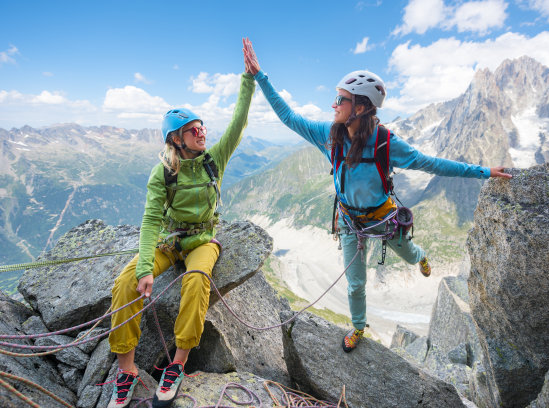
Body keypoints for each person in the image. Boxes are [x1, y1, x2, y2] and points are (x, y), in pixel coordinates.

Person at [242, 38, 511, 353]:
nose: (333, 104)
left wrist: (483, 172)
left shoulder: (386, 143)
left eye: (340, 99)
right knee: (356, 284)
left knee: (409, 254)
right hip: (349, 223)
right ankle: (358, 328)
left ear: (359, 107)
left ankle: (421, 255)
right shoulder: (331, 136)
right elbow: (289, 118)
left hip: (383, 219)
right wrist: (260, 76)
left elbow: (432, 164)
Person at [106, 51, 256, 408]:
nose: (201, 131)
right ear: (176, 139)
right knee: (126, 282)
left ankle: (178, 364)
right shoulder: (163, 172)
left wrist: (248, 79)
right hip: (169, 239)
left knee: (197, 278)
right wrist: (144, 269)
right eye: (193, 129)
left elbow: (238, 122)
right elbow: (150, 220)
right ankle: (125, 370)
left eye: (202, 126)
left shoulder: (214, 160)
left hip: (203, 238)